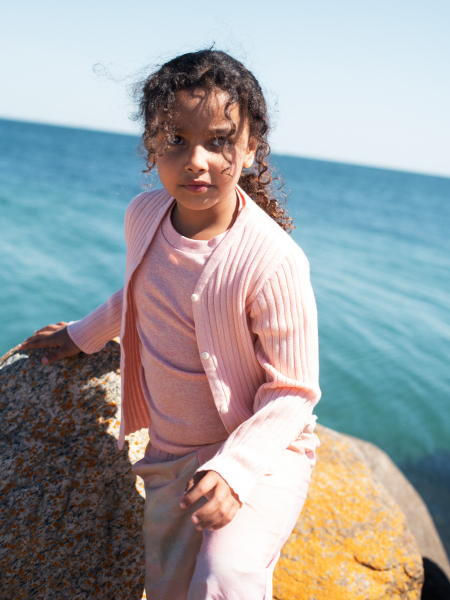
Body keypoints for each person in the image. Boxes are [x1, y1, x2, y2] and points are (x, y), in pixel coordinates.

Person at [19, 49, 321, 600]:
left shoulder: (272, 261)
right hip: (169, 455)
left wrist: (235, 469)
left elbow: (294, 392)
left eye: (220, 140)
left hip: (260, 452)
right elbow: (143, 293)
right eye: (176, 139)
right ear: (151, 145)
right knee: (167, 588)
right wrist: (83, 334)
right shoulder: (144, 216)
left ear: (251, 148)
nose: (196, 160)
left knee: (226, 576)